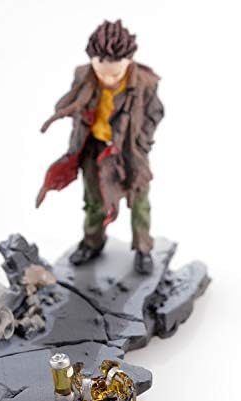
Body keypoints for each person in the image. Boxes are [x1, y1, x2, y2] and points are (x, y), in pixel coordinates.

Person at [36, 19, 164, 274]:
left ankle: (143, 248)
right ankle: (92, 242)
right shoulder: (83, 75)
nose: (108, 79)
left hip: (128, 149)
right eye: (101, 72)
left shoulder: (146, 82)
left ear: (129, 61)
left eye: (115, 74)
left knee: (139, 200)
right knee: (93, 200)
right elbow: (72, 104)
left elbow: (155, 112)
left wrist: (141, 141)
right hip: (93, 146)